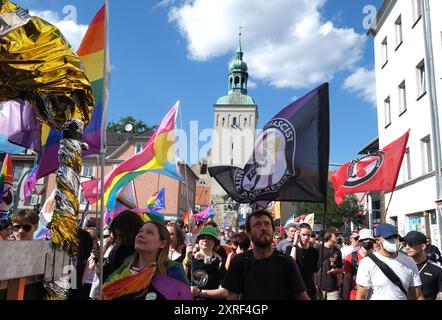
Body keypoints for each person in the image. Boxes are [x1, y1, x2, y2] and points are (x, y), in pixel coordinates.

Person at [222, 209, 309, 300]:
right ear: (249, 233)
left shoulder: (286, 262)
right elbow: (232, 297)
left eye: (267, 224)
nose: (263, 228)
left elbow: (302, 297)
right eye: (257, 225)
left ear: (272, 230)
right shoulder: (239, 261)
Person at [103, 221, 191, 300]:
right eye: (140, 232)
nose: (141, 235)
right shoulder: (122, 272)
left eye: (149, 233)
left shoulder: (173, 270)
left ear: (162, 243)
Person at [356, 223, 423, 300]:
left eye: (395, 237)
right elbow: (361, 296)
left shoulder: (409, 262)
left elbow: (418, 296)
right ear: (378, 240)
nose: (393, 241)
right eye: (388, 238)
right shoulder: (367, 263)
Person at [183, 225, 227, 300]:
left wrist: (200, 292)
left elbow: (224, 292)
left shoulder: (219, 262)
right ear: (198, 241)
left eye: (209, 238)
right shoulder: (189, 259)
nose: (205, 240)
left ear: (215, 243)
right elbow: (181, 282)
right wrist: (187, 257)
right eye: (203, 237)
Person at [402, 231, 442, 300]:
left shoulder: (437, 269)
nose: (407, 247)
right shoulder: (401, 265)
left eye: (411, 244)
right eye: (405, 244)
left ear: (423, 246)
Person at [286, 223, 319, 300]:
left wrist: (315, 286)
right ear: (298, 234)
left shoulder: (314, 251)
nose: (306, 237)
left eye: (308, 235)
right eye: (303, 234)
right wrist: (294, 244)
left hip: (310, 289)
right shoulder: (290, 249)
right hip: (295, 289)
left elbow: (314, 272)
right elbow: (291, 263)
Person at [343, 229, 375, 300]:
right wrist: (345, 296)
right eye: (366, 239)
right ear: (360, 241)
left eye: (370, 239)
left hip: (373, 295)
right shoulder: (351, 257)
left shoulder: (377, 258)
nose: (368, 241)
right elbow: (347, 279)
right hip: (355, 295)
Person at [317, 227, 343, 300]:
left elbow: (341, 269)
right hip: (319, 287)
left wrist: (336, 271)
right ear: (329, 235)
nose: (338, 237)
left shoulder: (337, 251)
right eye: (336, 235)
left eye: (338, 235)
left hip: (333, 288)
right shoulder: (318, 249)